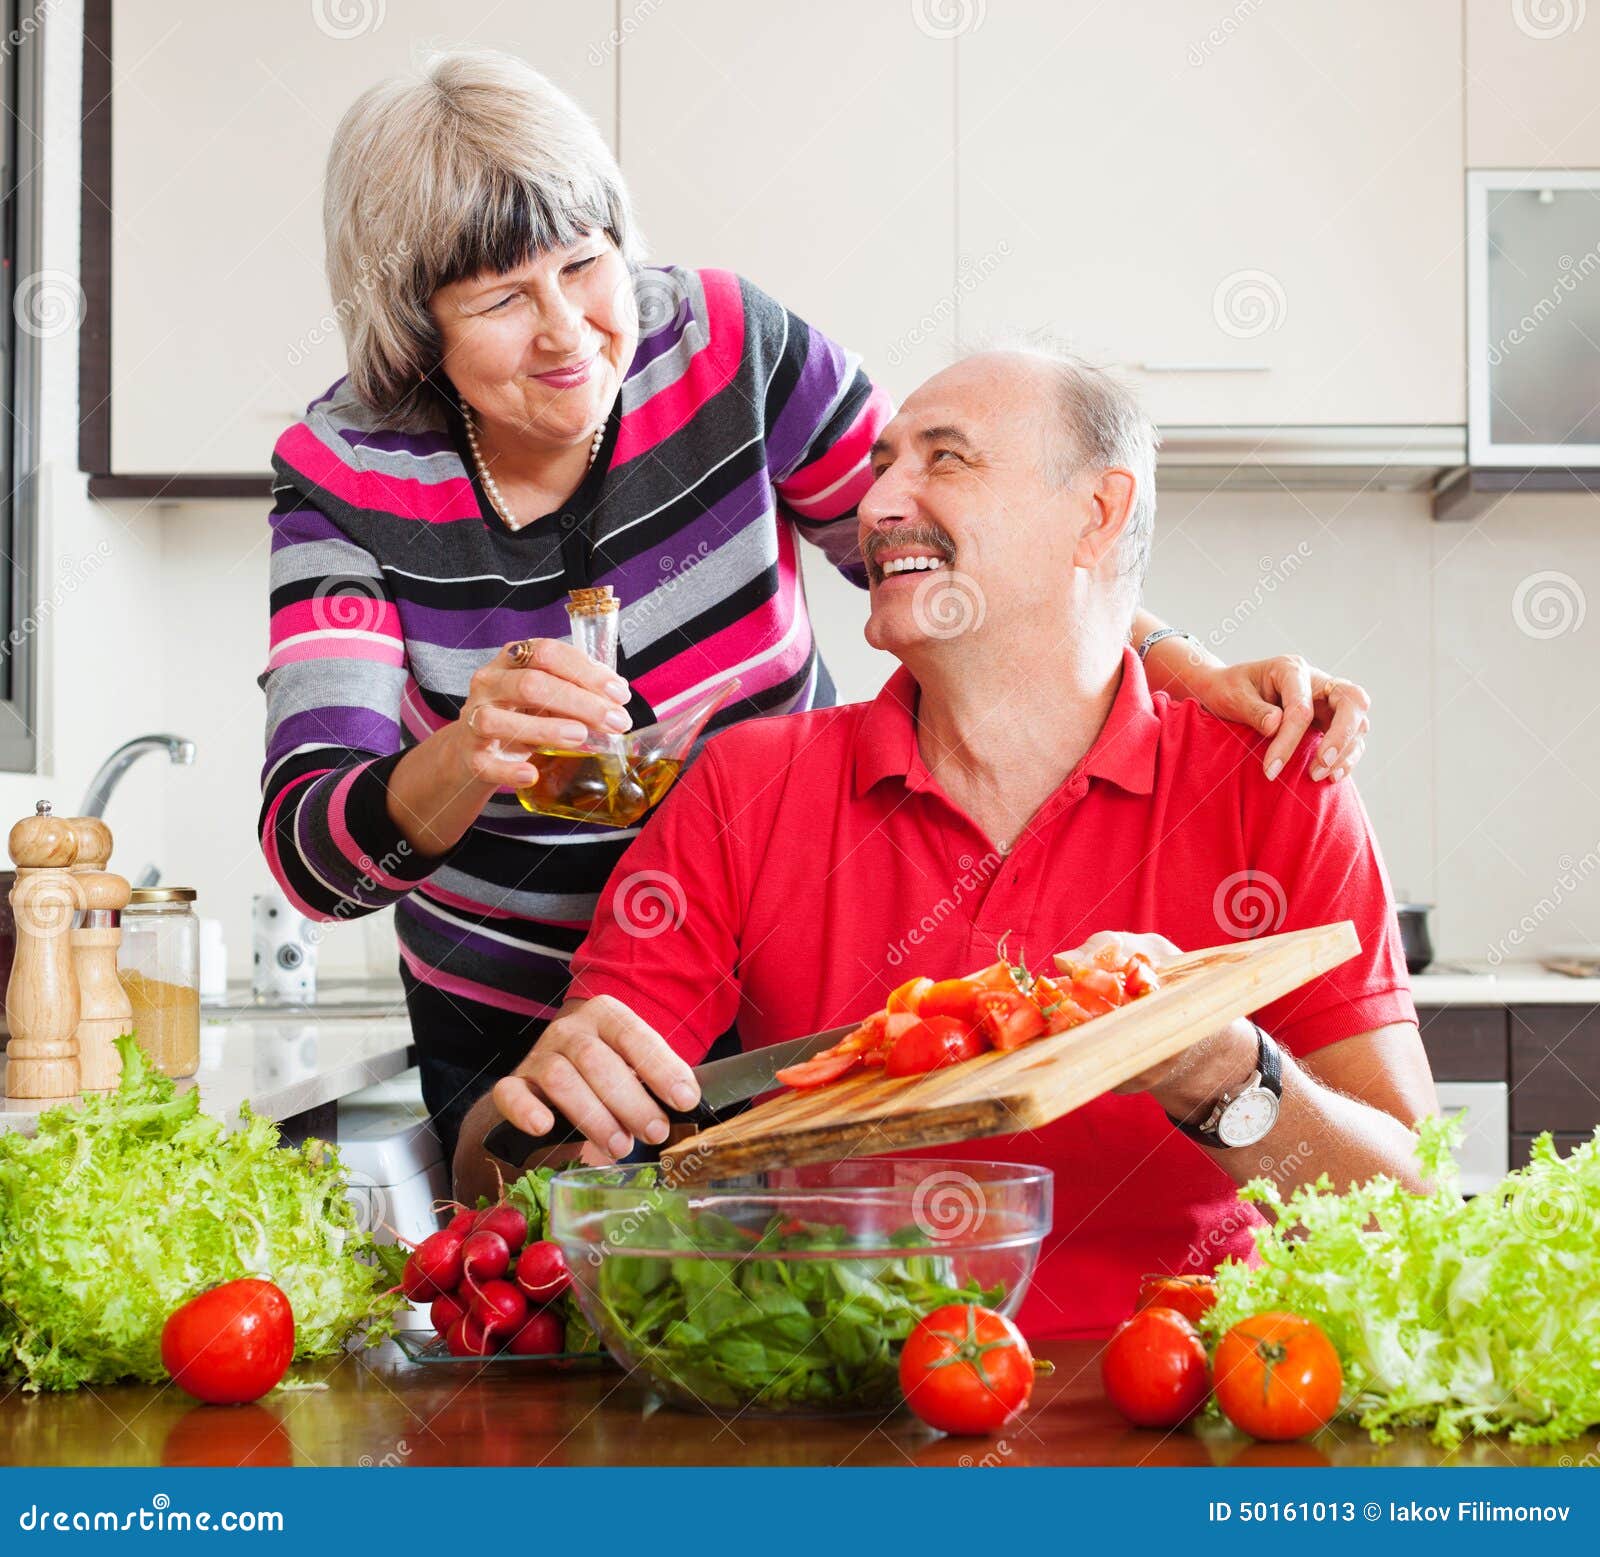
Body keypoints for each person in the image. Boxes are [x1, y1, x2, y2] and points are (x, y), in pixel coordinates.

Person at [259, 48, 1374, 1164]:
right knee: (567, 1270)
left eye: (583, 265)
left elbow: (946, 547)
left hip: (774, 966)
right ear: (416, 324)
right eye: (501, 299)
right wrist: (464, 756)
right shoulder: (343, 472)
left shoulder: (725, 345)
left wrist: (1187, 668)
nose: (567, 331)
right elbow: (313, 857)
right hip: (525, 1018)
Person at [467, 346, 1436, 1339]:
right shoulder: (744, 788)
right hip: (841, 1414)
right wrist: (541, 1116)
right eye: (882, 466)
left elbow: (1405, 1211)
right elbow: (504, 1177)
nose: (879, 504)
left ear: (1096, 515)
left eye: (944, 460)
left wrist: (1223, 1074)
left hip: (1190, 1414)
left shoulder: (1275, 781)